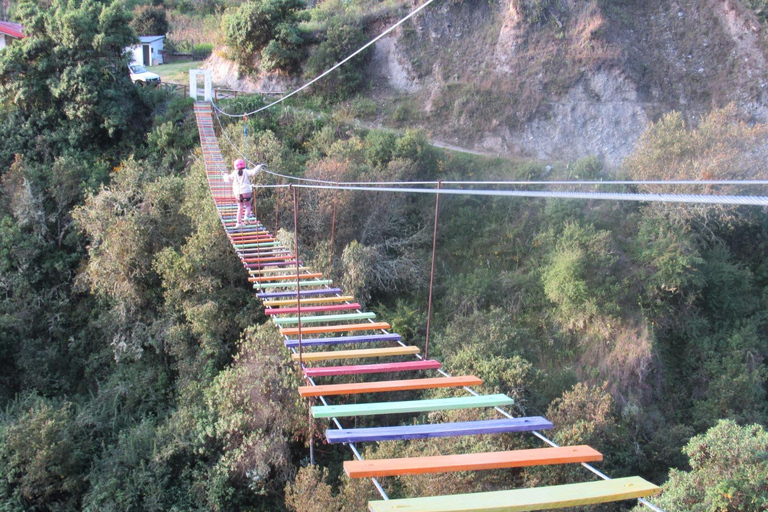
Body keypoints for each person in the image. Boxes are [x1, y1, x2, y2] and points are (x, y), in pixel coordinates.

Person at [222, 159, 265, 228]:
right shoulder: (246, 171)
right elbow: (253, 172)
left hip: (238, 192)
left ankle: (238, 222)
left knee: (240, 207)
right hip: (246, 191)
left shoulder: (234, 173)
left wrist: (224, 174)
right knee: (248, 205)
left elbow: (227, 178)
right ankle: (246, 217)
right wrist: (259, 166)